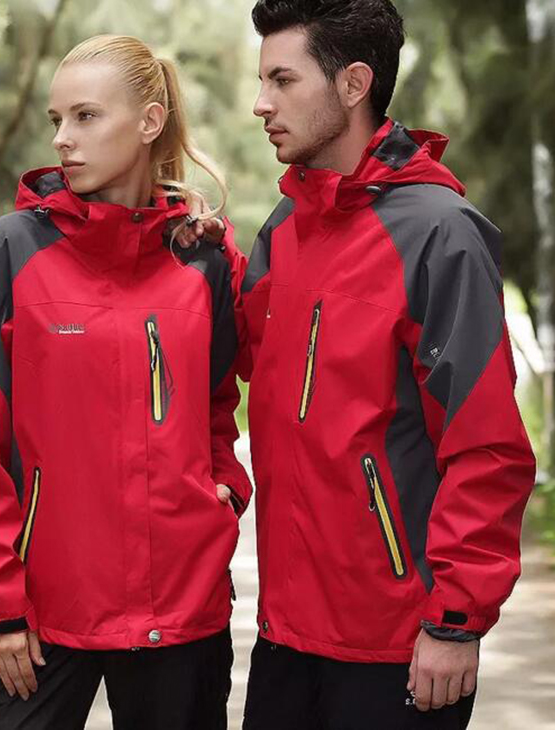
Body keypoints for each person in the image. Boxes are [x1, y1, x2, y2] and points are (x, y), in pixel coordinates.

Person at [203, 1, 536, 727]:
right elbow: (249, 354)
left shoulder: (440, 233)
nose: (261, 104)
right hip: (286, 636)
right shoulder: (286, 228)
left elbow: (486, 444)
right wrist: (199, 249)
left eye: (282, 80)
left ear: (354, 83)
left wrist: (456, 621)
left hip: (399, 644)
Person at [0, 34, 252, 730]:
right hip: (44, 611)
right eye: (57, 119)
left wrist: (222, 487)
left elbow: (217, 404)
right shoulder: (13, 248)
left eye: (85, 116)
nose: (62, 139)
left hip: (182, 605)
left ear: (148, 122)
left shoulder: (205, 258)